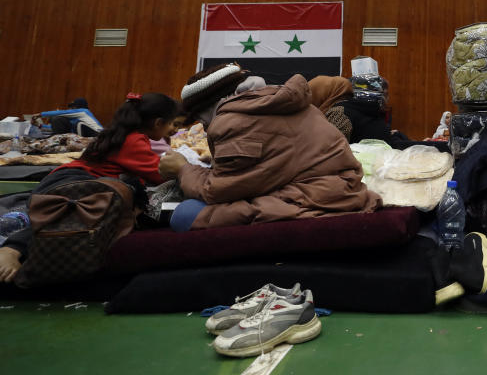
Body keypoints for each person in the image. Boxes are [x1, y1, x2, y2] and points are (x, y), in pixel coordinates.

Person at [158, 63, 381, 232]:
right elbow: (267, 167)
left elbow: (217, 191)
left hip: (317, 202)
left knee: (185, 214)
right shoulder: (282, 102)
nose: (204, 127)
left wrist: (182, 169)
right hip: (339, 192)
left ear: (208, 108)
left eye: (201, 119)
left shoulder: (231, 121)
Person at [0, 92, 184, 283]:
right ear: (158, 123)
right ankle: (11, 249)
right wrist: (185, 168)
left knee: (48, 215)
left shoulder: (123, 135)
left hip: (68, 178)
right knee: (59, 217)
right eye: (173, 124)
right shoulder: (134, 141)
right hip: (76, 182)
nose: (173, 130)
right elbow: (158, 173)